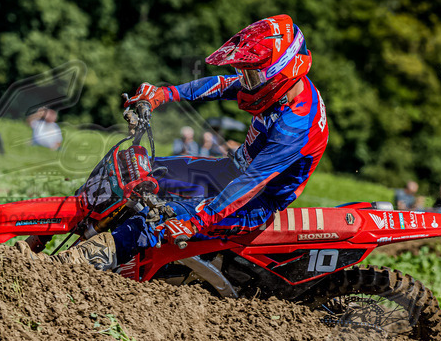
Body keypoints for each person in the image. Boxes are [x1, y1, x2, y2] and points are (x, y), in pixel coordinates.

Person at [53, 14, 328, 270]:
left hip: (254, 201)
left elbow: (252, 182)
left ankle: (75, 267)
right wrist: (163, 94)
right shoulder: (269, 85)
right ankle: (49, 233)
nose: (243, 82)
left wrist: (195, 221)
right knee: (132, 172)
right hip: (230, 171)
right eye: (243, 73)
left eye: (251, 75)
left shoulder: (297, 126)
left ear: (284, 71)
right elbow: (220, 85)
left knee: (159, 219)